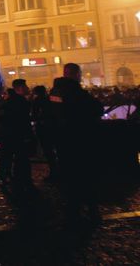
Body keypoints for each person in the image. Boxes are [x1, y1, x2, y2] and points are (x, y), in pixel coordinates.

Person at [51, 63, 103, 223]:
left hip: (63, 140)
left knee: (69, 176)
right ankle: (91, 209)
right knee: (86, 175)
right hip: (81, 140)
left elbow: (53, 113)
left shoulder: (55, 93)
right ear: (76, 74)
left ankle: (72, 211)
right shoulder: (78, 93)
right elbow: (96, 109)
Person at [0, 78, 35, 190]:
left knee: (5, 156)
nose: (27, 88)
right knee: (20, 157)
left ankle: (3, 176)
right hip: (16, 134)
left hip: (6, 135)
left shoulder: (7, 102)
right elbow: (23, 120)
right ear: (20, 88)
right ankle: (20, 179)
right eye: (25, 86)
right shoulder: (21, 102)